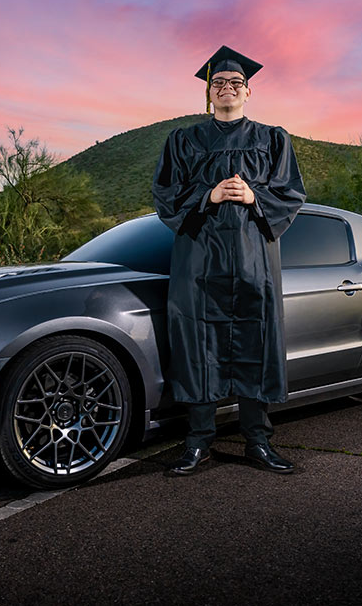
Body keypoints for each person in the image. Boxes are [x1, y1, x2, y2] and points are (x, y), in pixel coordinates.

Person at [151, 45, 307, 476]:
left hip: (254, 260)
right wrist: (209, 195)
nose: (226, 88)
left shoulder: (273, 139)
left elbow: (292, 193)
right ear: (209, 93)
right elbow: (165, 196)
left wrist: (256, 196)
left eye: (235, 83)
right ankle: (197, 443)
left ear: (248, 91)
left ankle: (258, 442)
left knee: (256, 342)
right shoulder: (182, 141)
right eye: (218, 83)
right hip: (198, 263)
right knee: (198, 346)